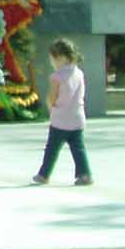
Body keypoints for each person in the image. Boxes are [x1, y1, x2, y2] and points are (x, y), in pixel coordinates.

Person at [31, 38, 92, 186]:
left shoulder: (57, 76)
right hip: (77, 118)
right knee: (78, 148)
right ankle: (85, 175)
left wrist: (50, 106)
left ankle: (44, 175)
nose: (52, 63)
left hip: (60, 119)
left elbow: (52, 97)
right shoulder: (79, 73)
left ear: (60, 58)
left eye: (52, 59)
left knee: (52, 149)